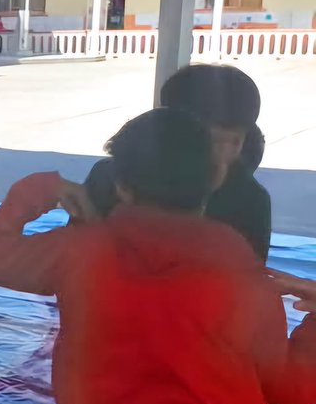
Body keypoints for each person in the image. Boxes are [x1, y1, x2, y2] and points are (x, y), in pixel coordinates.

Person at [0, 108, 316, 404]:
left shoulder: (80, 253)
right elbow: (293, 393)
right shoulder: (249, 287)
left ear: (122, 186)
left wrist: (39, 190)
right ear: (215, 178)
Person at [83, 64, 271, 260]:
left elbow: (251, 275)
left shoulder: (250, 200)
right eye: (213, 141)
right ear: (169, 127)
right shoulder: (112, 176)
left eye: (236, 141)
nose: (223, 156)